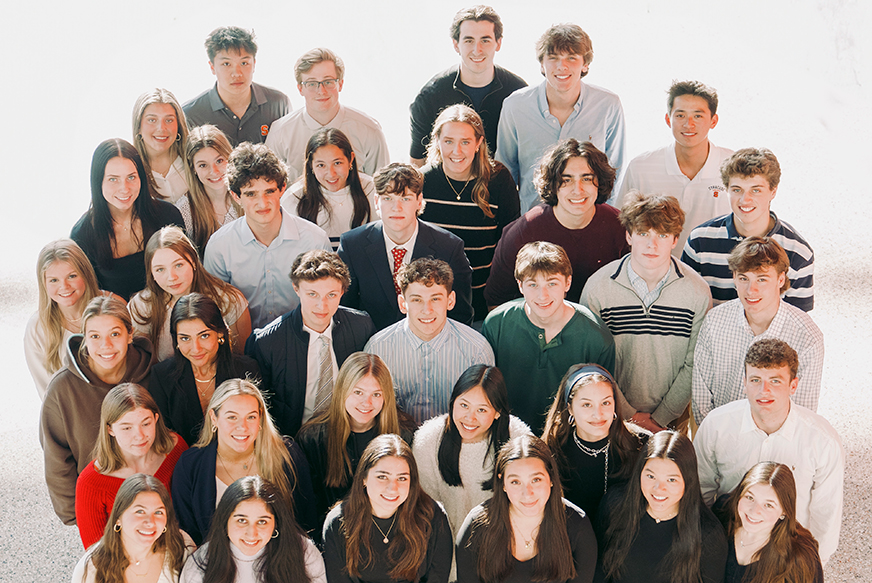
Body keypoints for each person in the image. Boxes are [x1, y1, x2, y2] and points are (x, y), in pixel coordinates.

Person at [694, 339, 844, 565]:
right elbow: (701, 491)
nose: (764, 390)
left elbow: (827, 514)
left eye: (775, 381)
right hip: (728, 546)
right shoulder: (716, 426)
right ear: (744, 382)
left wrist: (813, 566)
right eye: (756, 380)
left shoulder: (822, 441)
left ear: (793, 385)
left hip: (788, 551)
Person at [581, 192, 712, 433]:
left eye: (662, 235)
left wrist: (662, 417)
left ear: (674, 240)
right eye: (643, 234)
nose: (652, 245)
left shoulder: (697, 292)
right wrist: (627, 413)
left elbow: (695, 363)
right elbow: (592, 360)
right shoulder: (598, 287)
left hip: (673, 419)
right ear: (629, 236)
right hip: (610, 415)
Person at [41, 296, 154, 525]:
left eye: (115, 334)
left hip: (154, 505)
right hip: (96, 509)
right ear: (84, 339)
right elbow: (56, 455)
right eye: (95, 336)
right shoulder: (63, 389)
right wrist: (75, 515)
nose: (106, 346)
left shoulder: (154, 375)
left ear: (130, 334)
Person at [482, 241, 615, 434]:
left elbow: (603, 402)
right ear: (520, 285)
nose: (542, 295)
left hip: (567, 438)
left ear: (567, 283)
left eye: (552, 283)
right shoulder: (497, 324)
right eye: (533, 284)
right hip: (507, 434)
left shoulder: (596, 337)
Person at [495, 23, 626, 212]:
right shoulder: (515, 106)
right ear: (542, 63)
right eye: (553, 57)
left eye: (571, 58)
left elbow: (616, 171)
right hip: (533, 223)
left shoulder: (608, 105)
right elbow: (505, 173)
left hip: (589, 220)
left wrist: (606, 223)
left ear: (585, 64)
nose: (561, 66)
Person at [692, 237, 823, 423]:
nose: (750, 290)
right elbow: (701, 397)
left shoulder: (807, 337)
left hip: (776, 445)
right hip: (719, 438)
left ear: (780, 279)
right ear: (734, 278)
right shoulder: (714, 321)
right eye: (744, 278)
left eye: (761, 279)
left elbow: (802, 413)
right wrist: (718, 439)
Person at [246, 250, 375, 437]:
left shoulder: (361, 326)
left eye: (331, 295)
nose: (322, 306)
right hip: (292, 440)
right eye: (312, 294)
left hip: (350, 434)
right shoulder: (267, 342)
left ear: (342, 293)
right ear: (296, 289)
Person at [171, 379, 317, 545]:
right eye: (232, 417)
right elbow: (188, 535)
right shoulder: (190, 465)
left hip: (278, 564)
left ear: (260, 419)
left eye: (251, 417)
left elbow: (307, 523)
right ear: (214, 418)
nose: (243, 427)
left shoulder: (287, 455)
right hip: (215, 566)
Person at [203, 142, 332, 328]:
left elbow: (327, 303)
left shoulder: (314, 241)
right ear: (236, 196)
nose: (262, 203)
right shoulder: (219, 247)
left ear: (282, 189)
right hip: (243, 347)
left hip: (302, 341)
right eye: (251, 194)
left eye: (269, 191)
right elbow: (215, 311)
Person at [486, 139, 628, 307]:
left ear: (600, 182)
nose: (577, 190)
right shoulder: (524, 231)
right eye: (566, 180)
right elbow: (497, 302)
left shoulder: (620, 227)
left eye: (587, 179)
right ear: (553, 185)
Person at [338, 162, 474, 331]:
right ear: (376, 202)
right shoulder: (352, 246)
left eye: (405, 198)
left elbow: (460, 315)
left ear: (419, 201)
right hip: (371, 346)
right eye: (388, 198)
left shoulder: (449, 247)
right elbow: (344, 312)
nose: (397, 208)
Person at [682, 147, 814, 311]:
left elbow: (797, 321)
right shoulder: (699, 241)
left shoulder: (798, 252)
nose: (745, 200)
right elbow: (686, 307)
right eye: (737, 190)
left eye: (756, 190)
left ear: (773, 191)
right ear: (727, 190)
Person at [420, 104, 520, 320]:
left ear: (478, 143)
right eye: (449, 141)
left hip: (485, 304)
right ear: (438, 141)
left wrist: (498, 302)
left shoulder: (499, 180)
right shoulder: (423, 182)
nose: (457, 151)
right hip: (433, 305)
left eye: (465, 142)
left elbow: (510, 244)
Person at [365, 258, 494, 425]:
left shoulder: (477, 350)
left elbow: (485, 413)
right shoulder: (378, 349)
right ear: (402, 304)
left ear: (450, 300)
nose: (427, 310)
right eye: (417, 300)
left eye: (435, 299)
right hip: (395, 440)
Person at [455, 434, 597, 583]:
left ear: (551, 479)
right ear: (503, 483)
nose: (527, 493)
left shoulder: (577, 525)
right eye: (515, 482)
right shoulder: (476, 526)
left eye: (536, 480)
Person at [296, 352, 412, 534]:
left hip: (391, 534)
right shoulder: (313, 437)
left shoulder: (405, 434)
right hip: (334, 535)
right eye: (358, 392)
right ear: (342, 389)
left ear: (386, 396)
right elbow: (309, 505)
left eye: (376, 394)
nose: (366, 402)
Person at [613, 81, 733, 253]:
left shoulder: (732, 166)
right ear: (668, 119)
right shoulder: (641, 167)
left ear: (713, 121)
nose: (688, 124)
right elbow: (621, 228)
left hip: (715, 272)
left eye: (698, 116)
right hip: (655, 272)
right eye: (680, 115)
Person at [412, 364, 530, 538]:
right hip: (444, 545)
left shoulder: (518, 439)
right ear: (453, 403)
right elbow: (424, 511)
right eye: (464, 405)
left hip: (505, 544)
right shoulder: (428, 440)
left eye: (481, 409)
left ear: (497, 412)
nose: (469, 417)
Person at [595, 430, 727, 583]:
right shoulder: (615, 505)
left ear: (688, 481)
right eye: (650, 476)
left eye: (671, 480)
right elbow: (599, 571)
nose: (658, 489)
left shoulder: (708, 534)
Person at [322, 434, 453, 583]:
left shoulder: (432, 517)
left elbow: (437, 578)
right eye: (382, 477)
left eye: (402, 478)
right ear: (363, 478)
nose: (393, 488)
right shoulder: (338, 523)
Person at [409, 5, 527, 166]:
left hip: (501, 188)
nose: (477, 50)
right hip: (446, 189)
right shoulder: (430, 97)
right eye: (469, 40)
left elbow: (527, 159)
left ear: (498, 43)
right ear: (456, 44)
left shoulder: (519, 93)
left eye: (485, 40)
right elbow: (418, 164)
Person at [75, 383, 188, 549]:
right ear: (110, 430)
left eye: (146, 423)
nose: (139, 436)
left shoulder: (176, 450)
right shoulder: (90, 483)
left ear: (156, 419)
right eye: (127, 427)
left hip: (183, 552)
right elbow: (96, 552)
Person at [71, 138, 184, 300]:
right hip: (118, 318)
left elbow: (188, 269)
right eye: (113, 179)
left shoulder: (168, 216)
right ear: (98, 182)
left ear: (141, 178)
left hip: (173, 308)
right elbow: (87, 295)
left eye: (131, 177)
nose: (124, 188)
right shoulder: (83, 234)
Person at [149, 293, 261, 447]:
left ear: (220, 333)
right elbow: (163, 438)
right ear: (176, 340)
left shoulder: (247, 370)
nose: (196, 348)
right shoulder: (161, 376)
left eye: (204, 336)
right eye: (185, 338)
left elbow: (260, 429)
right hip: (183, 463)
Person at [542, 364, 648, 524]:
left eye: (605, 403)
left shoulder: (641, 444)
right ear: (569, 408)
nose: (597, 414)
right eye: (586, 405)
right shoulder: (551, 450)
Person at [265, 47, 389, 182]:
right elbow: (269, 189)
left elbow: (383, 190)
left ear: (340, 84)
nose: (321, 91)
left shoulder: (369, 130)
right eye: (312, 83)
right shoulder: (279, 133)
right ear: (300, 88)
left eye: (328, 82)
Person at [129, 226, 251, 362]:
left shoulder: (228, 300)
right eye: (160, 269)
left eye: (178, 265)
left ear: (193, 261)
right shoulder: (141, 306)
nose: (171, 277)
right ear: (151, 272)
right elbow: (142, 366)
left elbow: (242, 359)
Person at [180, 476, 326, 583]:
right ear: (225, 521)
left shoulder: (303, 553)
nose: (252, 533)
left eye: (262, 521)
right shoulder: (201, 562)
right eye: (241, 520)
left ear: (276, 523)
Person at [24, 239, 118, 400]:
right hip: (69, 412)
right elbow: (47, 391)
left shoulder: (113, 306)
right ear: (44, 283)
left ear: (85, 274)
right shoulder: (37, 328)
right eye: (54, 280)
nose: (64, 286)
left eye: (72, 276)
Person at [183, 26, 290, 146]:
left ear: (254, 64)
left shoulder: (278, 103)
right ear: (212, 67)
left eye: (244, 63)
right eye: (226, 64)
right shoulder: (191, 114)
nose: (237, 73)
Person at [71, 474, 188, 583]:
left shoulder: (181, 546)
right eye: (140, 511)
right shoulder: (90, 569)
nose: (150, 522)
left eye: (158, 512)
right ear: (118, 518)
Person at [721, 462, 824, 583]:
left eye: (768, 505)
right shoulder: (721, 514)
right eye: (750, 497)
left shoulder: (800, 556)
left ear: (784, 511)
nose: (754, 511)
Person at [281, 128, 377, 250]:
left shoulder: (372, 190)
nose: (331, 174)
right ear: (311, 165)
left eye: (337, 163)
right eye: (321, 165)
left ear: (350, 159)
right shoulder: (293, 199)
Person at [177, 124, 243, 253]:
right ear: (193, 169)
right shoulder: (183, 211)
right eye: (203, 165)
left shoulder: (247, 195)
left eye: (219, 161)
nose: (214, 171)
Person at [133, 88, 190, 203]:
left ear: (178, 125)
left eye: (169, 120)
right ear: (138, 127)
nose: (161, 128)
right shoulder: (130, 170)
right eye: (152, 120)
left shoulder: (194, 161)